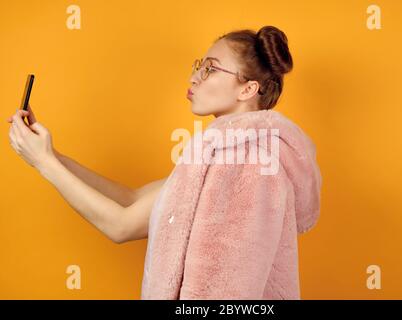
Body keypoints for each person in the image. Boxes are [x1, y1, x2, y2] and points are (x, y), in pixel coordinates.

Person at [7, 26, 322, 299]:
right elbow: (132, 199)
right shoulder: (224, 152)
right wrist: (51, 154)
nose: (193, 77)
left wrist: (44, 163)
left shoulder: (244, 162)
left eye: (210, 68)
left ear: (248, 88)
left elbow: (122, 225)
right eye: (199, 65)